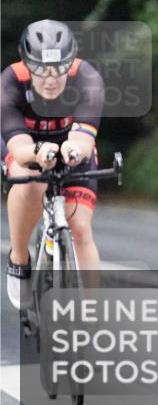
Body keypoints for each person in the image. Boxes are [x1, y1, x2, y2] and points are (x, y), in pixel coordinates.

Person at [3, 20, 105, 308]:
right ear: (27, 65)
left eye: (58, 68)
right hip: (27, 145)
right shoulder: (11, 81)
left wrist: (75, 148)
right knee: (29, 182)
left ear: (70, 64)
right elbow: (19, 147)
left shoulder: (87, 77)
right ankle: (19, 259)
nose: (50, 78)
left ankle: (93, 314)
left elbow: (84, 139)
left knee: (81, 229)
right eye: (41, 69)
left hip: (71, 145)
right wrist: (37, 153)